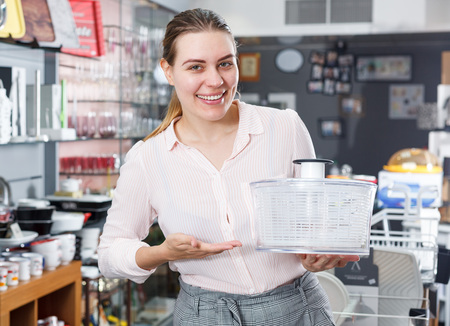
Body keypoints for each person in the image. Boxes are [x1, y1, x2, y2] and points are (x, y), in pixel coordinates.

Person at [97, 8, 359, 326]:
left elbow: (314, 223)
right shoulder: (148, 158)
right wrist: (163, 252)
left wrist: (322, 251)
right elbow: (109, 255)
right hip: (202, 315)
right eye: (196, 67)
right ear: (168, 71)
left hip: (295, 310)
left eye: (225, 63)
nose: (216, 80)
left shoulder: (283, 127)